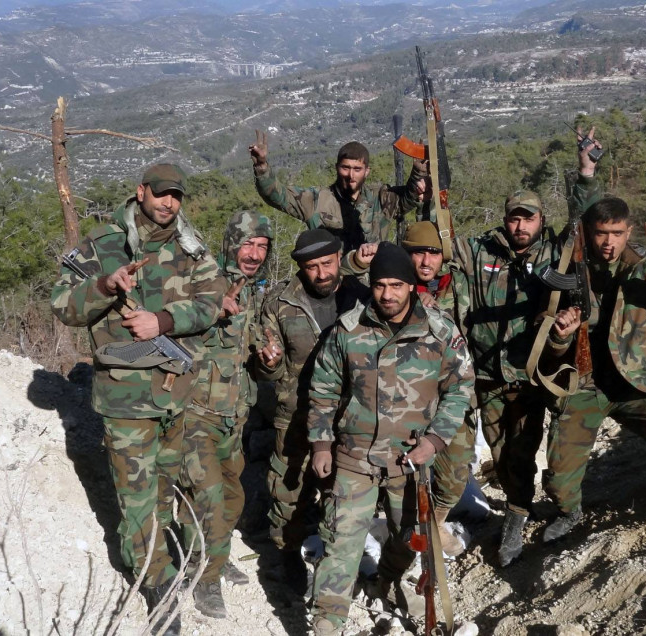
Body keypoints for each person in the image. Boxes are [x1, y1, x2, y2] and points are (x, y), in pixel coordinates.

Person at [51, 163, 222, 635]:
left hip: (175, 392)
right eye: (161, 193)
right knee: (138, 499)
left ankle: (165, 556)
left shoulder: (190, 245)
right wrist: (105, 286)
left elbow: (212, 302)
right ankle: (156, 584)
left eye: (177, 196)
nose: (169, 203)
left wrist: (162, 321)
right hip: (125, 399)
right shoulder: (102, 244)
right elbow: (62, 306)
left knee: (164, 488)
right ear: (141, 191)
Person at [450, 132, 603, 568]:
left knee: (542, 445)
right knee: (505, 454)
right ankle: (518, 511)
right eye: (514, 219)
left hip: (538, 371)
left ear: (540, 220)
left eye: (529, 219)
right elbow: (441, 242)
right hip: (489, 374)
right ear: (505, 220)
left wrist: (586, 172)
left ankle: (553, 506)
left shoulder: (556, 253)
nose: (520, 226)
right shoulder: (480, 251)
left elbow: (583, 222)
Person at [305, 243, 475, 636]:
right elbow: (323, 388)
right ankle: (327, 623)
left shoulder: (440, 331)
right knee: (341, 544)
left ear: (411, 285)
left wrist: (435, 440)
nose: (387, 294)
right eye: (379, 285)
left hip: (409, 461)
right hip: (355, 457)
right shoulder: (348, 329)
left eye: (396, 285)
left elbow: (460, 388)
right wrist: (320, 444)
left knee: (409, 538)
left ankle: (388, 580)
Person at [540, 197, 646, 542]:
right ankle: (570, 512)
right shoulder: (566, 268)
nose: (609, 242)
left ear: (629, 232)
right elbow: (542, 329)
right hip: (584, 385)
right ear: (588, 232)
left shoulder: (642, 268)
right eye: (601, 233)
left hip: (635, 381)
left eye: (617, 233)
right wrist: (560, 333)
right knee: (559, 479)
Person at [256, 228, 373, 594]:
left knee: (345, 490)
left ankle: (339, 558)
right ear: (301, 268)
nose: (321, 273)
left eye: (327, 263)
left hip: (350, 415)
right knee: (289, 489)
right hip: (296, 413)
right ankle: (288, 551)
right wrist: (268, 362)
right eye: (312, 267)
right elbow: (268, 370)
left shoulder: (362, 297)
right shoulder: (279, 302)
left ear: (340, 258)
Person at [176, 210, 273, 618]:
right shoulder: (204, 282)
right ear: (231, 243)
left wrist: (265, 353)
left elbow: (242, 347)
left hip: (233, 417)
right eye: (247, 244)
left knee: (233, 496)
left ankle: (214, 553)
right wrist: (212, 310)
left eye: (262, 246)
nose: (254, 253)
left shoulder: (250, 290)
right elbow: (175, 324)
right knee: (208, 496)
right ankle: (204, 576)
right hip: (196, 413)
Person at [400, 221, 475, 557]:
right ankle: (407, 535)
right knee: (404, 471)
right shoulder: (392, 286)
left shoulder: (458, 283)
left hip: (453, 393)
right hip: (406, 399)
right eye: (418, 252)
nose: (426, 260)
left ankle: (437, 521)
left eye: (433, 253)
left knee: (455, 471)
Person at [249, 131, 423, 251]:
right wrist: (262, 167)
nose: (351, 175)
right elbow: (277, 196)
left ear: (367, 171)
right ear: (337, 168)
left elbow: (408, 198)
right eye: (345, 168)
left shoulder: (380, 198)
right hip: (332, 284)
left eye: (357, 169)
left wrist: (418, 172)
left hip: (372, 286)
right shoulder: (317, 200)